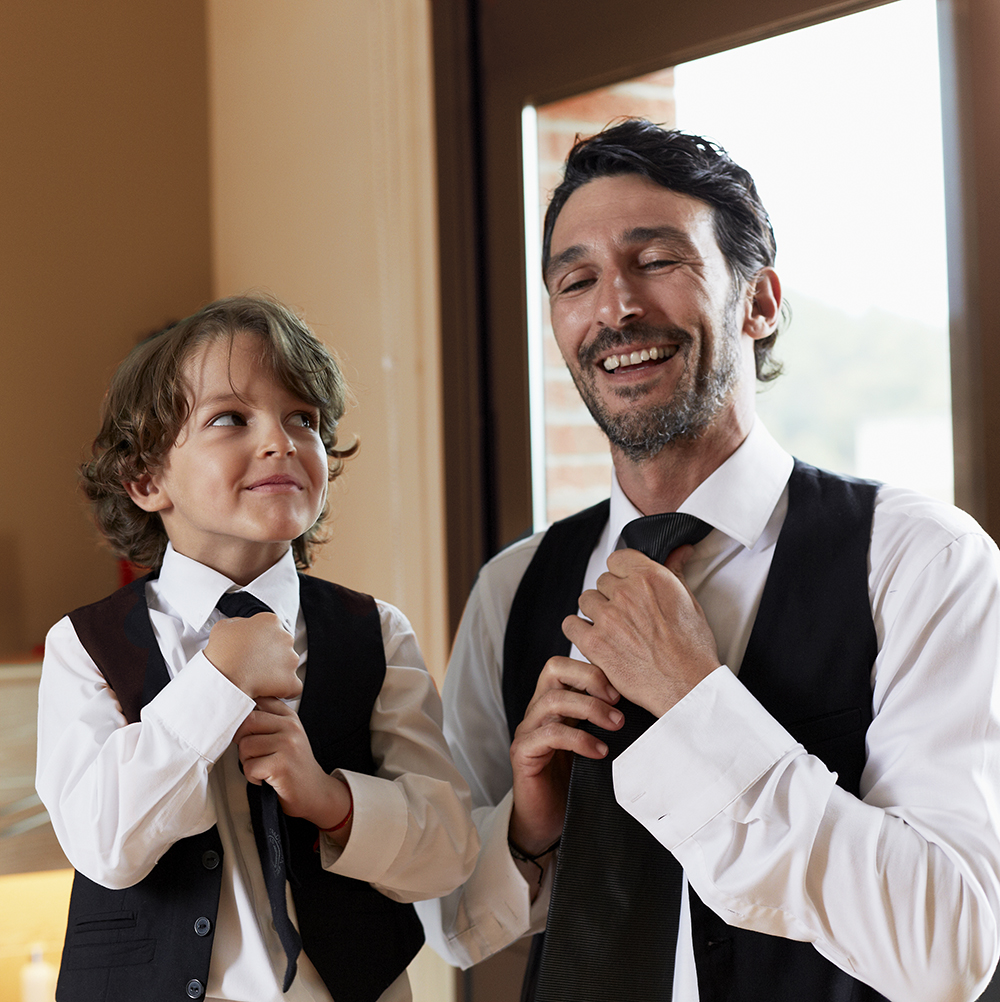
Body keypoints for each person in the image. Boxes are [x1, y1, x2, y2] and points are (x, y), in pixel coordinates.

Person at [417, 120, 1000, 1001]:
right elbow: (455, 924)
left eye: (655, 261)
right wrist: (529, 830)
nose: (615, 308)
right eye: (577, 281)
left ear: (758, 303)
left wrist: (698, 706)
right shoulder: (512, 589)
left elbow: (949, 944)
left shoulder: (922, 560)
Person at [36, 295, 479, 1002]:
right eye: (230, 419)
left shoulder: (378, 632)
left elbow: (449, 850)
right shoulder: (82, 646)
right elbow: (104, 846)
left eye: (302, 418)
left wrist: (333, 802)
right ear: (147, 480)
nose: (281, 441)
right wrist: (218, 679)